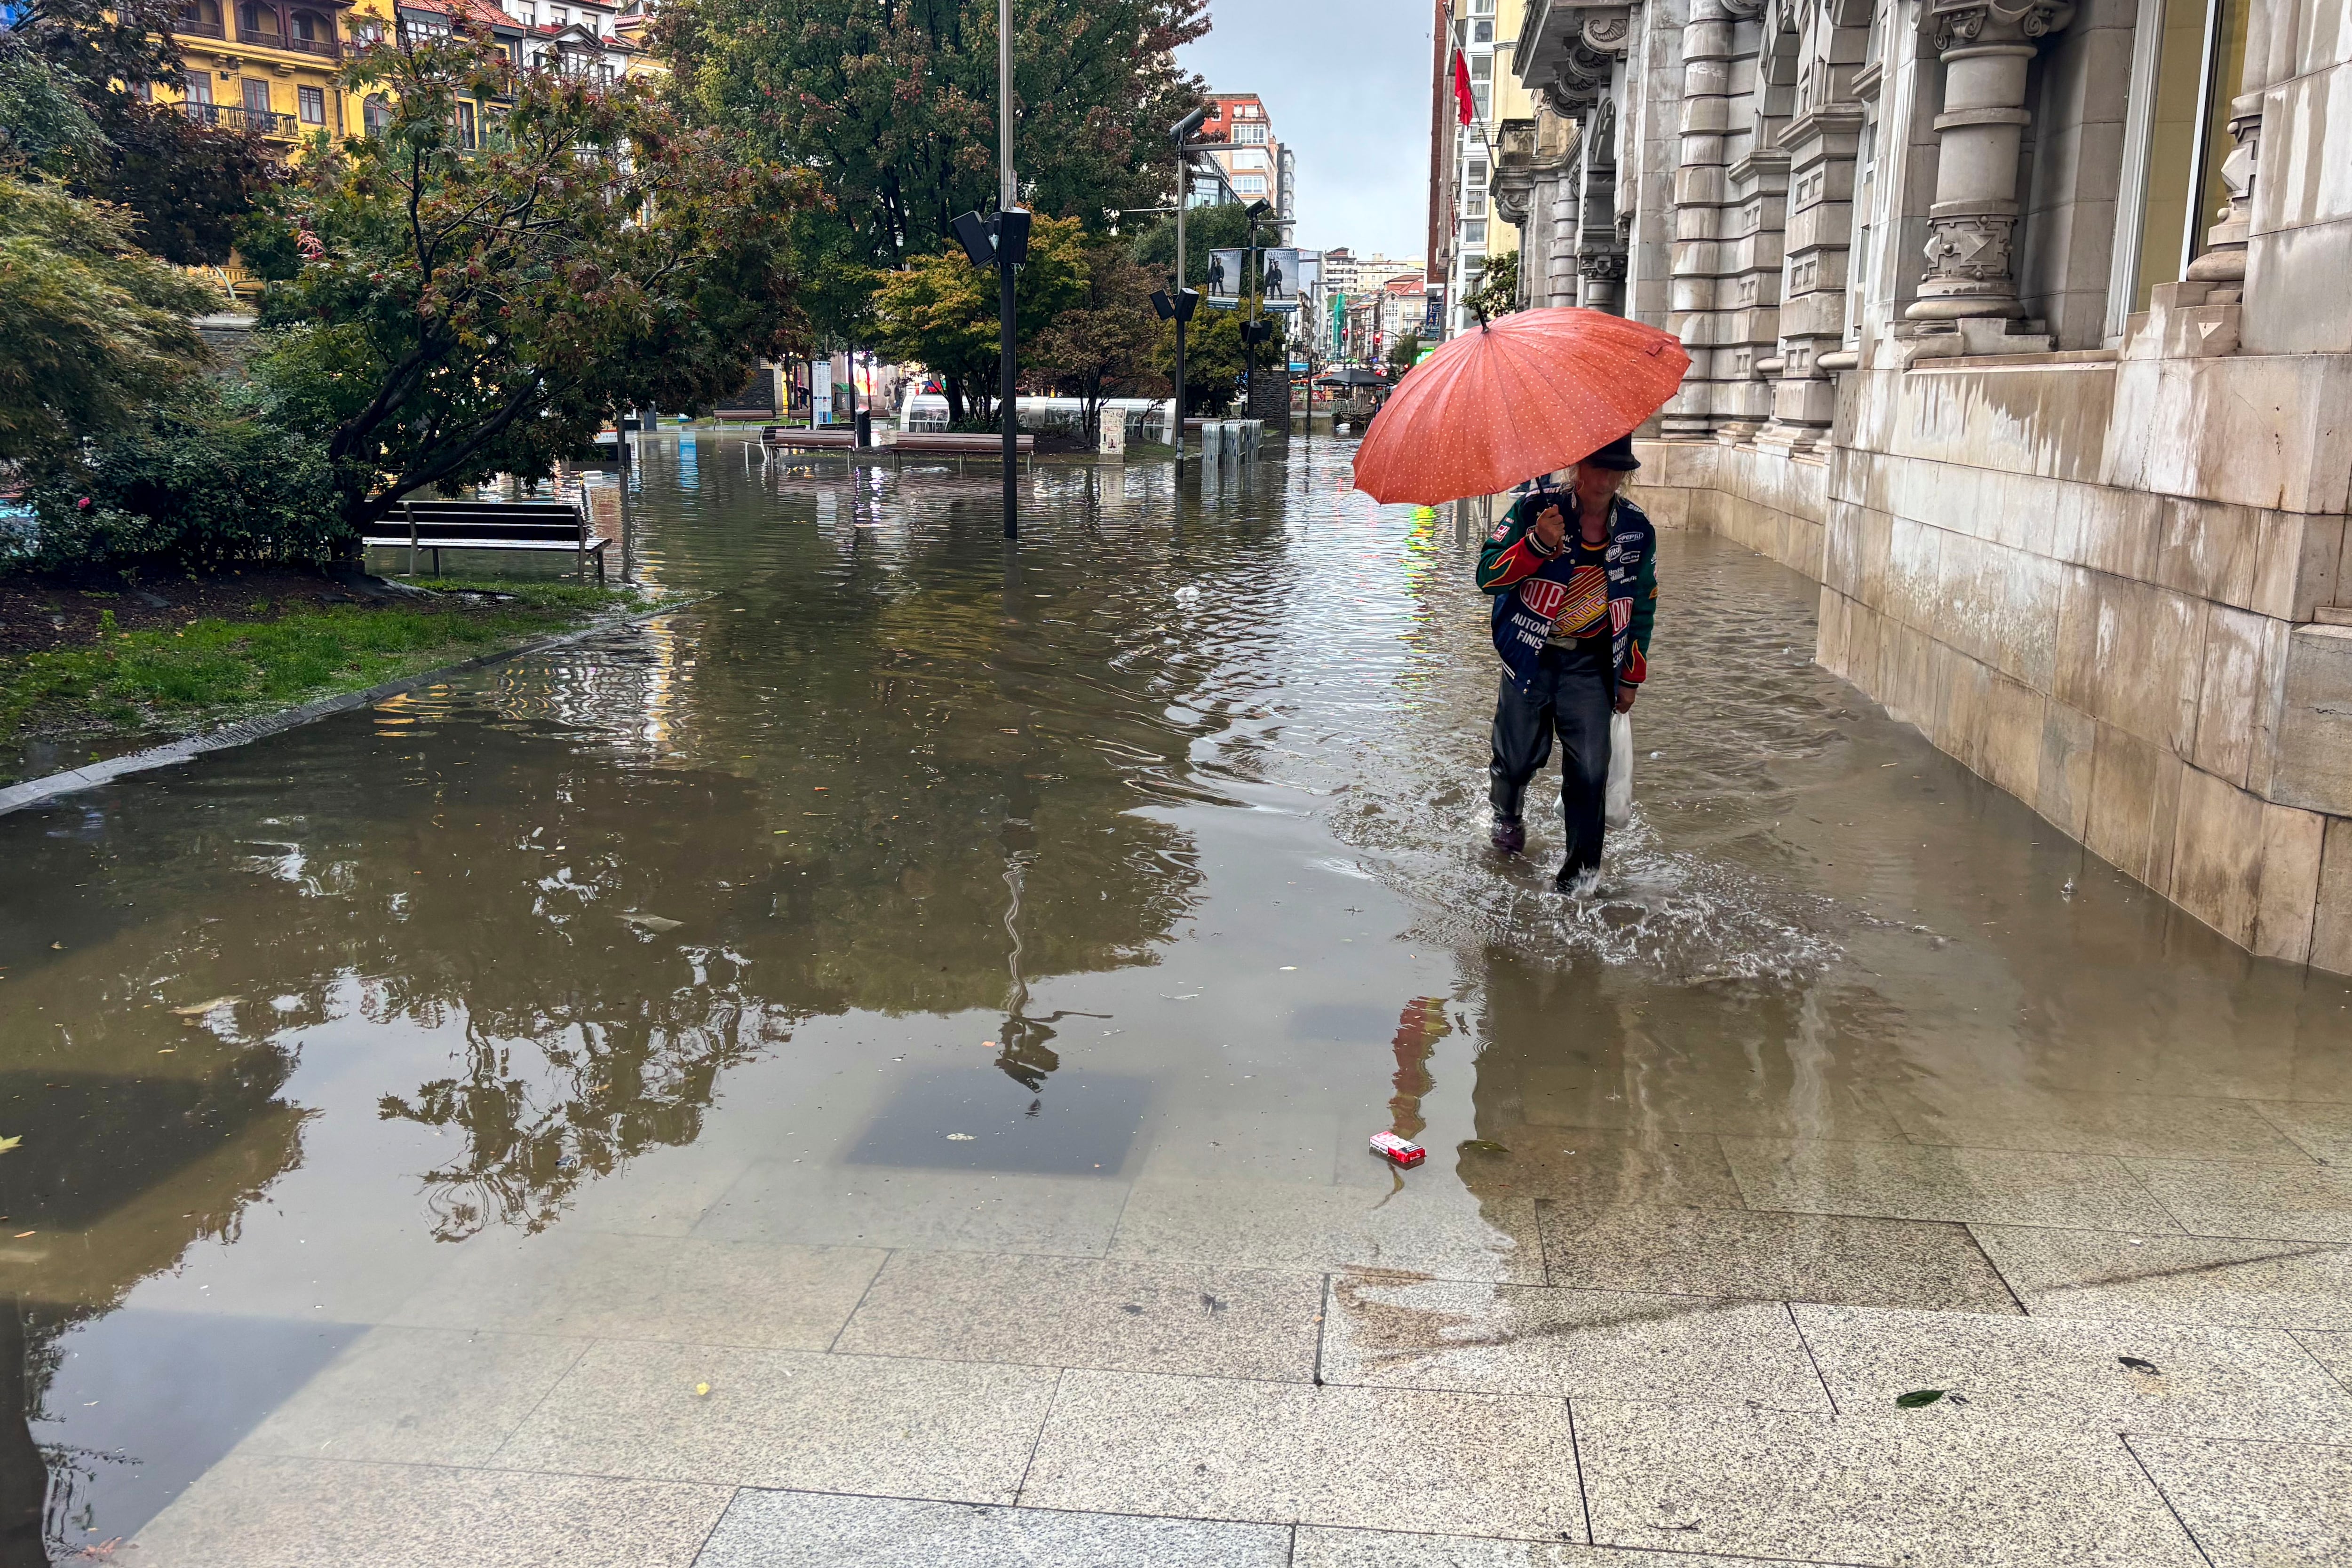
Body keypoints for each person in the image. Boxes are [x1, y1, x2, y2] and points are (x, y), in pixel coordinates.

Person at [1475, 433, 1657, 889]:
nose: (1608, 479)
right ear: (1577, 468)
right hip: (1529, 656)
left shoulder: (1637, 529)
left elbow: (1642, 603)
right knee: (1515, 759)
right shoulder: (1533, 511)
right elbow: (1487, 575)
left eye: (1618, 470)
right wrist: (1536, 543)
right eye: (1599, 467)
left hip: (1590, 664)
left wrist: (1631, 676)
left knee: (1591, 770)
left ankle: (1579, 876)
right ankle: (1507, 815)